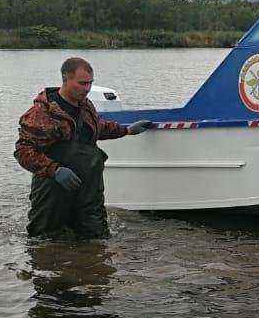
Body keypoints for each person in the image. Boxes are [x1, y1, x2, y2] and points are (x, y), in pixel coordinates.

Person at [15, 57, 154, 239]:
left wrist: (127, 130)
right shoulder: (42, 113)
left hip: (88, 191)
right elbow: (23, 150)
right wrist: (54, 170)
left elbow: (97, 127)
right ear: (66, 79)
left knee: (97, 237)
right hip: (53, 190)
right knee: (45, 242)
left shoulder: (86, 106)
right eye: (82, 83)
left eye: (90, 83)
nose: (87, 88)